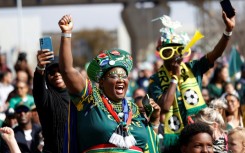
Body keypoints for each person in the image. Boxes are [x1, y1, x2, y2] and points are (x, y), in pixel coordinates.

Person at [148, 9, 235, 151]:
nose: (175, 54)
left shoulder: (193, 68)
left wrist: (228, 31)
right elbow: (164, 107)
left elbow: (215, 54)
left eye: (178, 50)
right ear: (161, 53)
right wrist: (174, 78)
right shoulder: (155, 79)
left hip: (199, 134)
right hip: (176, 139)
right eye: (168, 51)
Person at [58, 14, 148, 153]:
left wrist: (154, 122)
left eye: (124, 76)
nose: (120, 80)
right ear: (101, 81)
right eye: (114, 76)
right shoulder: (90, 99)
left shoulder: (134, 109)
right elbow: (67, 71)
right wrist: (66, 34)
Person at [32, 53, 69, 153]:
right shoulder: (45, 98)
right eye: (52, 72)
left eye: (60, 70)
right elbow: (38, 87)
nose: (57, 74)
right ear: (46, 77)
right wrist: (40, 68)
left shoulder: (76, 96)